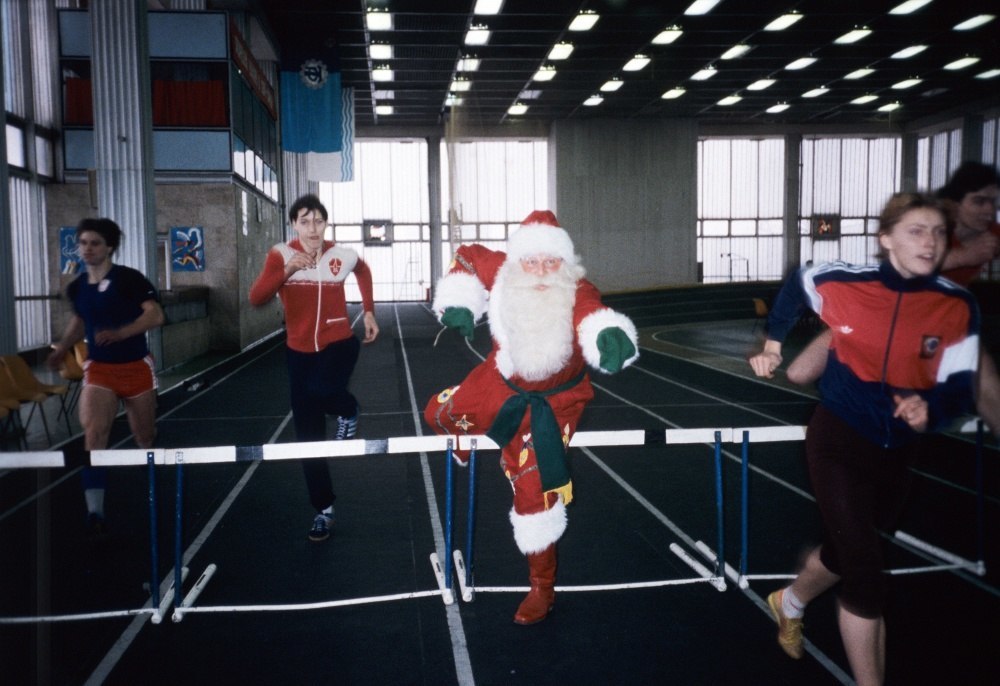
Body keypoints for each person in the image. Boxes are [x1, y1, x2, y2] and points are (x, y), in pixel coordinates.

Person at [748, 193, 979, 685]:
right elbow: (795, 284)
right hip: (838, 438)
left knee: (844, 550)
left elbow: (960, 387)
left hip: (898, 449)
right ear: (886, 239)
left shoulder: (956, 306)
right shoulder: (843, 281)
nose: (930, 241)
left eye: (939, 232)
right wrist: (772, 342)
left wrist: (932, 407)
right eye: (916, 230)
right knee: (866, 574)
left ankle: (787, 602)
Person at [423, 210, 639, 625]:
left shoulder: (578, 290)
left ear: (565, 263)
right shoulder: (502, 271)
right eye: (532, 261)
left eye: (551, 261)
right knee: (439, 414)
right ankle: (466, 440)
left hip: (555, 403)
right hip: (500, 383)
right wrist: (460, 301)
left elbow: (595, 317)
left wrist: (608, 335)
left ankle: (543, 587)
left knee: (537, 498)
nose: (541, 270)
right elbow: (467, 257)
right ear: (516, 260)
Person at [784, 161, 1000, 440]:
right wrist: (963, 256)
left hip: (934, 324)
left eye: (993, 203)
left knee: (983, 377)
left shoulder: (990, 235)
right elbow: (899, 271)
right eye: (979, 201)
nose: (988, 211)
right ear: (954, 206)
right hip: (882, 312)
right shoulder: (931, 230)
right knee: (798, 373)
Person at [249, 193, 378, 542]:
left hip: (338, 344)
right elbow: (256, 296)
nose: (312, 228)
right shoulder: (281, 255)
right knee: (308, 439)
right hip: (299, 354)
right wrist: (289, 270)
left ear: (326, 223)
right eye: (305, 221)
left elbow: (363, 270)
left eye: (318, 220)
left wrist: (368, 310)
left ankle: (348, 410)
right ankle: (324, 510)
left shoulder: (341, 255)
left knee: (323, 391)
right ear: (294, 224)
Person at [47, 218, 165, 538]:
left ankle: (157, 496)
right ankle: (95, 511)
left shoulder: (129, 279)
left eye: (95, 243)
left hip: (136, 368)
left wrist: (121, 332)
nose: (87, 249)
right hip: (99, 369)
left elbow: (155, 315)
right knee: (94, 436)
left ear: (110, 247)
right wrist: (63, 348)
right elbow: (80, 320)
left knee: (145, 437)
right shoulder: (77, 286)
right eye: (83, 243)